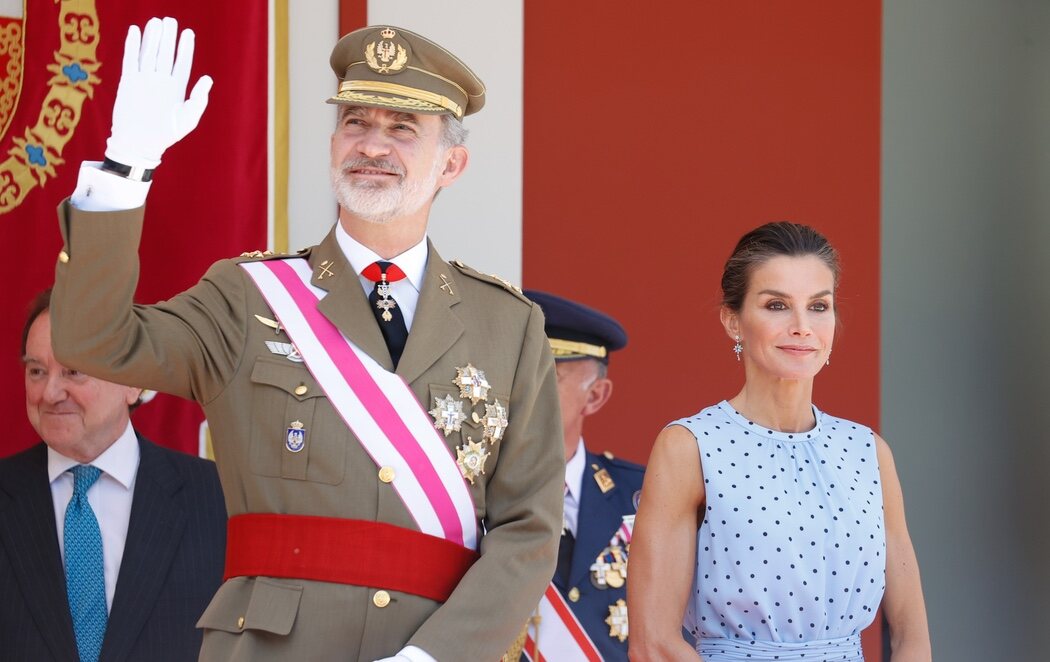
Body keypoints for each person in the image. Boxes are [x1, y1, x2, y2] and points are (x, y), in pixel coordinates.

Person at [49, 17, 563, 662]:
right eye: (356, 121)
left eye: (403, 128)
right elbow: (95, 343)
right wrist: (125, 168)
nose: (372, 145)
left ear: (451, 164)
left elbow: (529, 530)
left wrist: (434, 657)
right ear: (332, 142)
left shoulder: (507, 326)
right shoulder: (247, 296)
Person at [627, 223, 931, 662]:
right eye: (776, 305)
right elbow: (653, 644)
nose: (802, 327)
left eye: (819, 306)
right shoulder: (690, 447)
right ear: (733, 321)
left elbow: (912, 638)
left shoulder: (869, 452)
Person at [0, 289, 227, 662]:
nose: (51, 392)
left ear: (134, 381)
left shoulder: (217, 498)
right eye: (37, 371)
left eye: (73, 371)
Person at [523, 290, 641, 660]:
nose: (522, 390)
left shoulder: (642, 495)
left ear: (595, 397)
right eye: (513, 374)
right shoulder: (466, 492)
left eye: (547, 376)